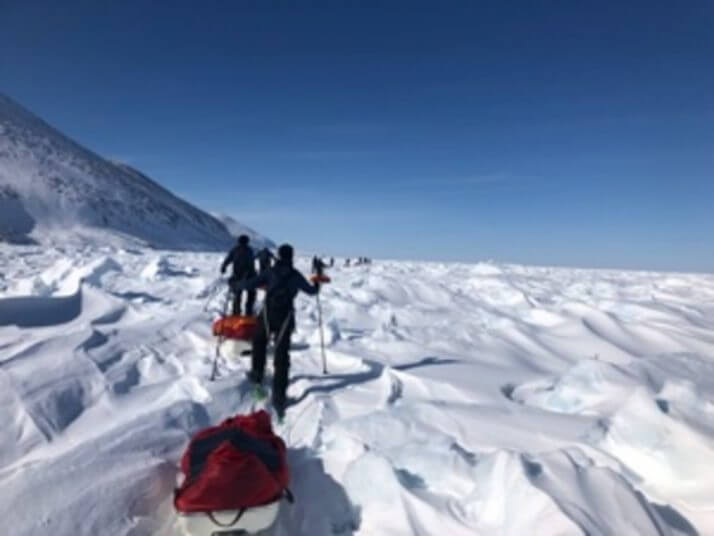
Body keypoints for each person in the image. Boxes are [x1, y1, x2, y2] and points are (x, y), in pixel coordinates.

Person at [235, 244, 320, 418]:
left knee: (259, 343)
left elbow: (251, 284)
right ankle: (279, 397)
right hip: (286, 318)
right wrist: (317, 279)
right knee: (282, 357)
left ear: (279, 256)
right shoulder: (295, 275)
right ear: (291, 256)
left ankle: (257, 375)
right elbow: (312, 291)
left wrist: (237, 284)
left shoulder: (270, 272)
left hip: (267, 315)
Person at [220, 234, 257, 316]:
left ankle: (236, 313)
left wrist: (223, 267)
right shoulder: (249, 250)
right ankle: (248, 312)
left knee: (237, 296)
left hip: (237, 277)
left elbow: (228, 259)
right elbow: (251, 264)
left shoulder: (235, 250)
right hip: (249, 277)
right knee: (251, 295)